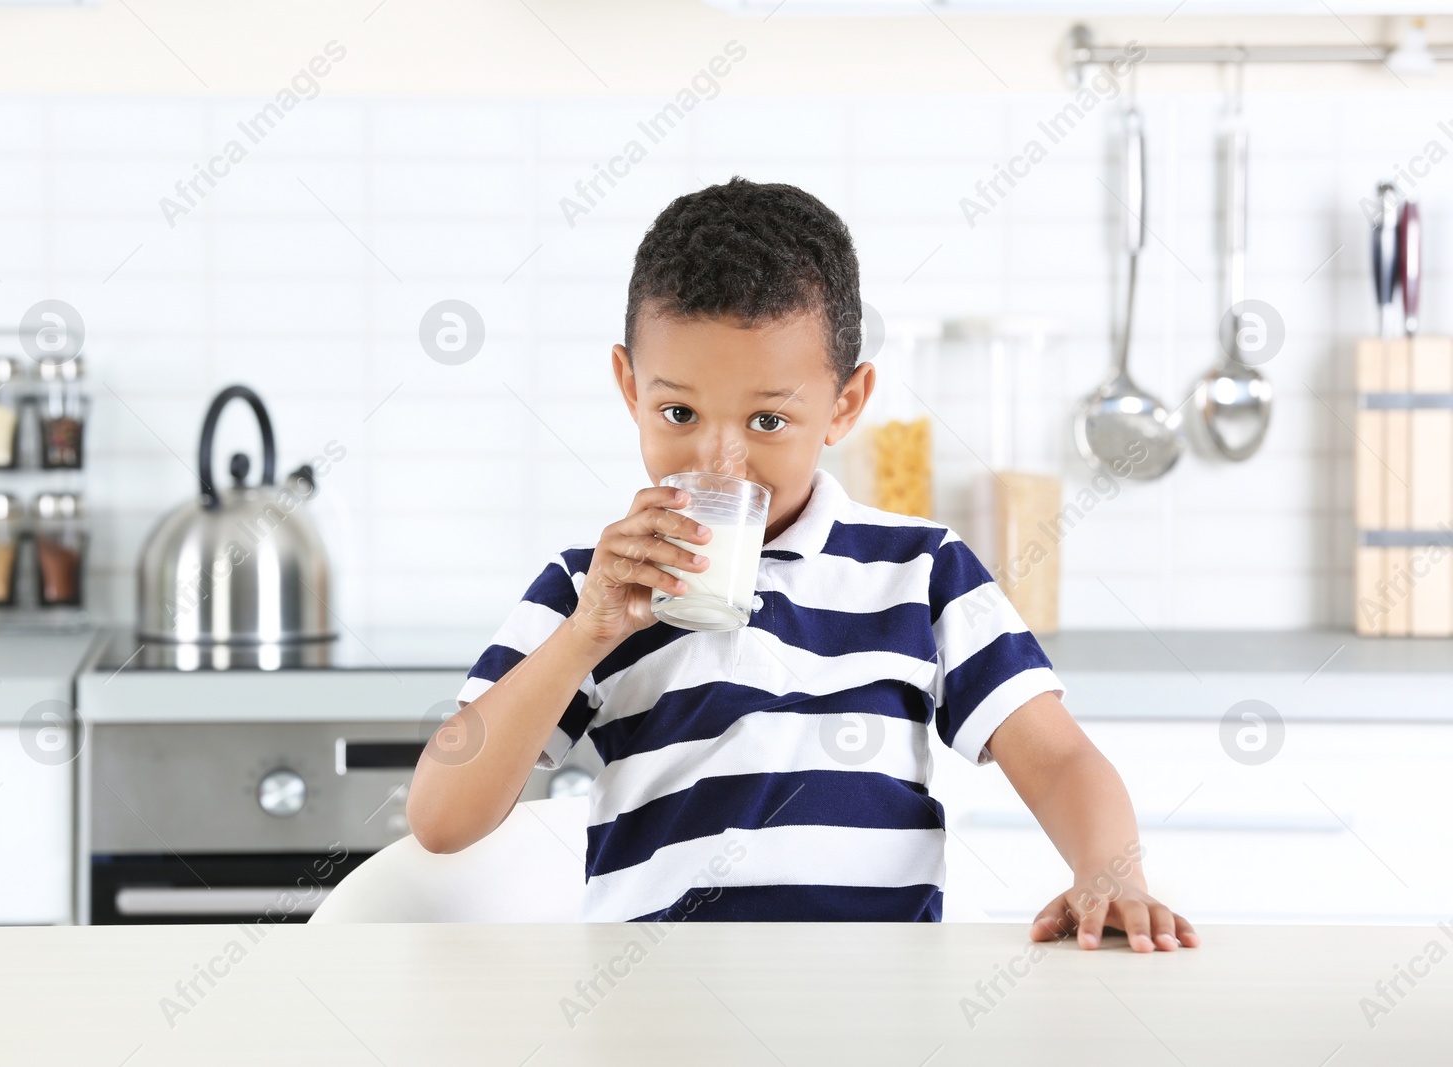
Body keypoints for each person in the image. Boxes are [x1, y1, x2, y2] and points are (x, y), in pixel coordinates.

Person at [406, 175, 1198, 952]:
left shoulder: (920, 572)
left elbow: (1058, 757)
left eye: (768, 418)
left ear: (845, 406)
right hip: (653, 1017)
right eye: (678, 412)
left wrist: (1107, 868)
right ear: (629, 385)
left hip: (875, 1014)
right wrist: (585, 635)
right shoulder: (592, 588)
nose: (721, 459)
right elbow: (441, 818)